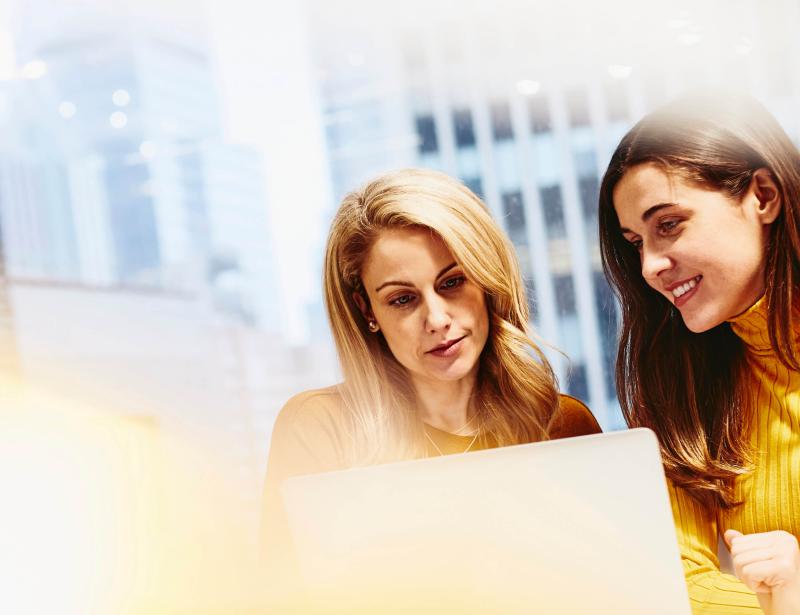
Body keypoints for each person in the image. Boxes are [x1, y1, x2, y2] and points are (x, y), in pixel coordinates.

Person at [261, 168, 600, 597]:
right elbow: (278, 597)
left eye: (453, 282)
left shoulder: (561, 424)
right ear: (367, 310)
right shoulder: (321, 428)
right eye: (402, 299)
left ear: (486, 283)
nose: (438, 320)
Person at [598, 93, 800, 615]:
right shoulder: (680, 387)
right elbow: (678, 583)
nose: (649, 266)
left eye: (668, 224)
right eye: (635, 241)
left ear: (763, 195)